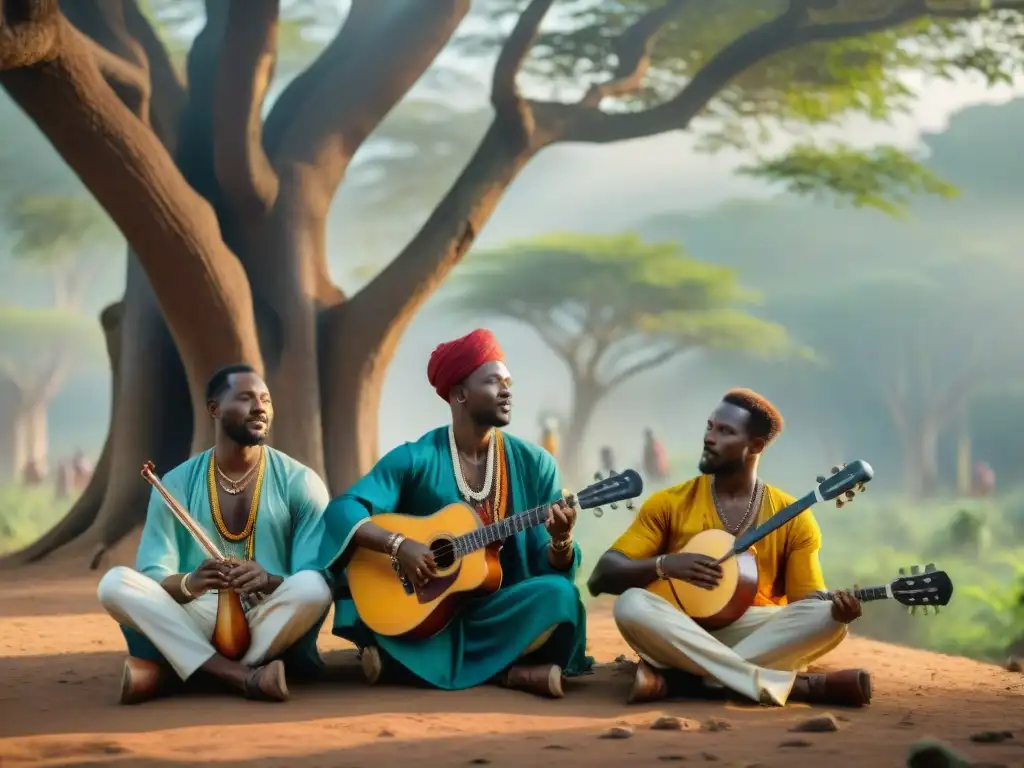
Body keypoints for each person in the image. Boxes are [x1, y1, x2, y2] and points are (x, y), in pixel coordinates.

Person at [321, 329, 592, 698]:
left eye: (509, 381)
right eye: (494, 381)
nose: (507, 390)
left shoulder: (536, 463)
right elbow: (342, 511)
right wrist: (399, 545)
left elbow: (551, 567)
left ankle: (413, 666)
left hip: (502, 610)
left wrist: (561, 540)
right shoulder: (415, 458)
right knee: (376, 606)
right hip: (427, 612)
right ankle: (509, 672)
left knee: (559, 597)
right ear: (460, 393)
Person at [588, 388, 871, 708]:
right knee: (631, 604)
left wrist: (839, 608)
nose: (709, 438)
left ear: (756, 445)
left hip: (753, 634)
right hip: (679, 629)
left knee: (828, 617)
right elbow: (603, 575)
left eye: (725, 431)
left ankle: (686, 679)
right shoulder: (670, 503)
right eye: (710, 427)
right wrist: (665, 564)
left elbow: (803, 602)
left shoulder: (793, 515)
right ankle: (787, 686)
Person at [96, 364, 333, 705]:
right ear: (214, 409)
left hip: (266, 615)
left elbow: (313, 572)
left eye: (265, 399)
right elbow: (154, 576)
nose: (260, 407)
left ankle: (185, 672)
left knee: (313, 589)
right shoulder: (175, 483)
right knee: (115, 583)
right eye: (246, 398)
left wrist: (266, 579)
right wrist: (193, 582)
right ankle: (241, 676)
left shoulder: (301, 482)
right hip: (197, 615)